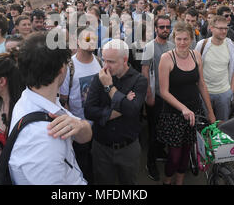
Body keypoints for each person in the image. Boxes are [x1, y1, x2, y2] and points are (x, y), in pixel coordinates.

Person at [9, 32, 92, 185]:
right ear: (62, 69)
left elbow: (85, 136)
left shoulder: (38, 99)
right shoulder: (42, 139)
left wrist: (80, 126)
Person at [157, 21, 215, 185]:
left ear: (191, 40)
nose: (182, 43)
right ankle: (167, 181)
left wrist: (210, 112)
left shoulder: (196, 55)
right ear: (173, 39)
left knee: (187, 151)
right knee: (174, 157)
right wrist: (183, 109)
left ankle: (179, 181)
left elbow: (201, 84)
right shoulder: (166, 58)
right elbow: (163, 92)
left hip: (194, 112)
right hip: (174, 115)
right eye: (179, 39)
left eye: (186, 39)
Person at [84, 39, 147, 185]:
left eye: (111, 62)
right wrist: (118, 109)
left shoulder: (139, 81)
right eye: (104, 60)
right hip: (101, 147)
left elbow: (132, 110)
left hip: (128, 148)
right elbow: (88, 111)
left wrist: (109, 88)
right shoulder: (99, 77)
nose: (106, 66)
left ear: (125, 60)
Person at [59, 26, 102, 184]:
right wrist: (73, 127)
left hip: (98, 124)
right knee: (83, 165)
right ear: (77, 41)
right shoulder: (69, 67)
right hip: (79, 127)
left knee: (97, 162)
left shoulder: (99, 61)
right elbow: (64, 100)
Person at [141, 15, 175, 181]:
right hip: (155, 96)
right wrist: (149, 95)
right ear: (156, 29)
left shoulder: (172, 46)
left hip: (169, 96)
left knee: (165, 128)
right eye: (161, 27)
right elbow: (145, 72)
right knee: (154, 132)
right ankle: (150, 162)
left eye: (168, 27)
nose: (165, 30)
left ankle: (161, 151)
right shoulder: (149, 47)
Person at [195, 15, 234, 121]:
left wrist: (231, 91)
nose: (224, 31)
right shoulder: (202, 45)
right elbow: (196, 69)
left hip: (224, 94)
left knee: (222, 126)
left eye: (226, 28)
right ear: (211, 28)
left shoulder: (231, 45)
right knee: (205, 126)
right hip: (205, 93)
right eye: (220, 28)